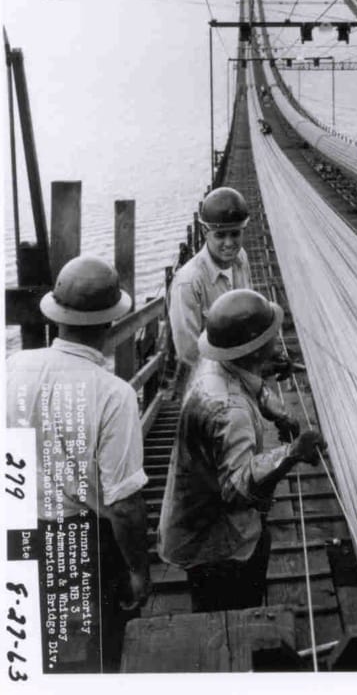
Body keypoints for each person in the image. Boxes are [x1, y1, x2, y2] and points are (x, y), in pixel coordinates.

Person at [6, 256, 151, 671]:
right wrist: (139, 570)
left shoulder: (12, 368)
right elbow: (124, 504)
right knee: (100, 648)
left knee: (32, 647)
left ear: (56, 316)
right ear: (110, 325)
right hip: (83, 542)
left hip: (18, 533)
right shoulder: (113, 394)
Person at [157, 289, 321, 612]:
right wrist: (292, 453)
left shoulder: (214, 362)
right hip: (215, 545)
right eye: (271, 338)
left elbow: (248, 381)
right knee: (230, 618)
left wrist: (279, 412)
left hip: (191, 516)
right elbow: (238, 487)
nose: (277, 341)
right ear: (256, 350)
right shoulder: (232, 411)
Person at [169, 186, 253, 369]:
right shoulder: (188, 283)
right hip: (209, 379)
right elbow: (189, 353)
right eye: (220, 235)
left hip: (241, 363)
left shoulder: (241, 258)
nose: (229, 243)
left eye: (235, 233)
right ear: (204, 232)